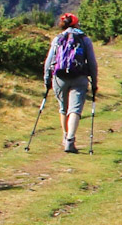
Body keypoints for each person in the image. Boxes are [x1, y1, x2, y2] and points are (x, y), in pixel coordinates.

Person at [42, 12, 99, 154]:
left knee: (63, 108)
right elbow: (92, 63)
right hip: (79, 77)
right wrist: (94, 82)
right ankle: (70, 140)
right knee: (75, 110)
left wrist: (47, 79)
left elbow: (49, 61)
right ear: (76, 24)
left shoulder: (58, 39)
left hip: (59, 77)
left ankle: (64, 137)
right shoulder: (85, 39)